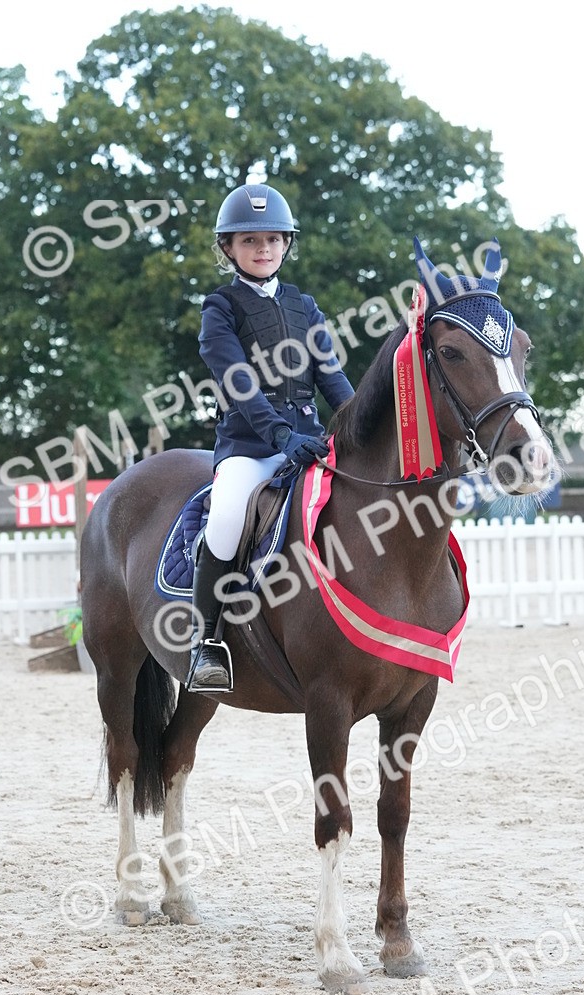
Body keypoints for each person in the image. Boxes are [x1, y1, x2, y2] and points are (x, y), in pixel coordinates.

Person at [187, 182, 355, 692]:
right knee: (229, 512)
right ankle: (206, 643)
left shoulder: (305, 306)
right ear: (228, 249)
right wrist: (279, 433)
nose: (263, 249)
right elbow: (237, 379)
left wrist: (355, 424)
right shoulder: (221, 306)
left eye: (273, 239)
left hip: (309, 443)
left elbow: (332, 378)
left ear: (286, 244)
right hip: (251, 447)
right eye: (250, 240)